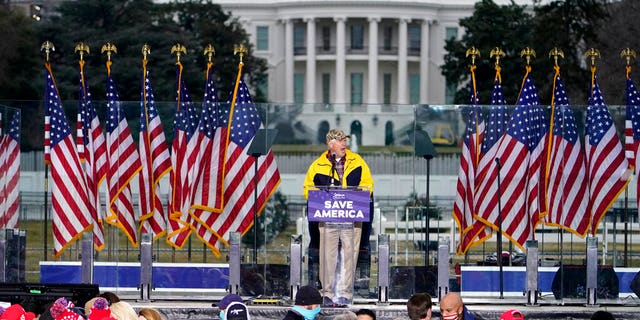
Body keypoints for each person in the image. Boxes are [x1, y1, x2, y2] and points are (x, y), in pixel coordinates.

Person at [303, 129, 374, 306]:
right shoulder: (317, 165)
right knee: (327, 255)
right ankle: (326, 293)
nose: (344, 143)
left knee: (350, 255)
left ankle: (345, 293)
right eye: (340, 140)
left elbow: (368, 186)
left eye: (345, 140)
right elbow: (307, 190)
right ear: (330, 143)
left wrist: (353, 194)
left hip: (352, 217)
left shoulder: (358, 162)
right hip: (328, 218)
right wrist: (326, 196)